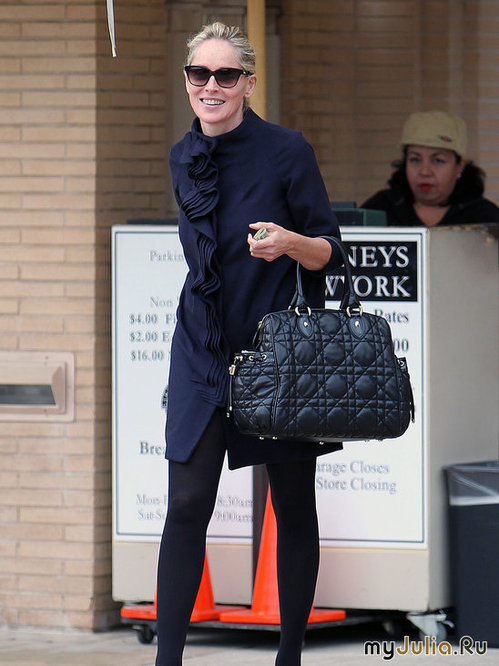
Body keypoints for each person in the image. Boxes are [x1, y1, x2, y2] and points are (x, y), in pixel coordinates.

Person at [155, 21, 342, 666]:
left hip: (275, 351)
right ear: (187, 82)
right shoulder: (182, 157)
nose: (211, 86)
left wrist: (289, 243)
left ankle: (289, 656)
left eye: (226, 74)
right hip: (201, 346)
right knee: (186, 502)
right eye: (199, 74)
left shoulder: (287, 150)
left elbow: (331, 251)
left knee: (291, 501)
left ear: (248, 83)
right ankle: (168, 661)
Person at [361, 110, 499, 227]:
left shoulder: (484, 217)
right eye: (415, 160)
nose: (425, 172)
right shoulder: (381, 208)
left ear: (459, 166)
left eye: (438, 160)